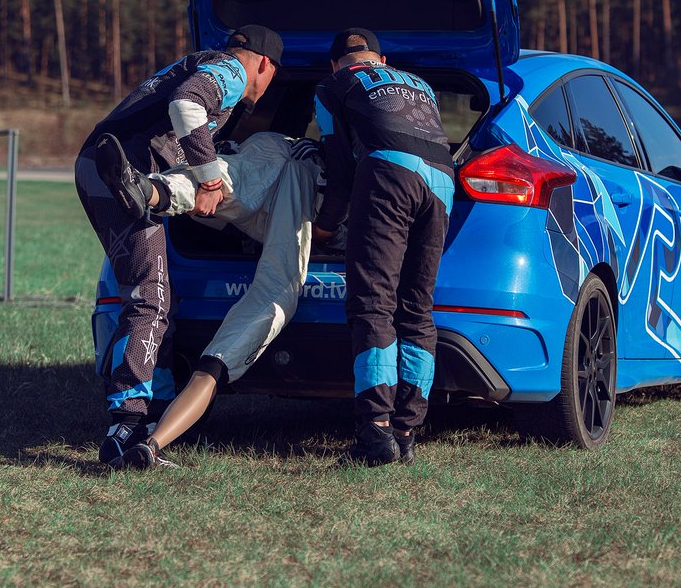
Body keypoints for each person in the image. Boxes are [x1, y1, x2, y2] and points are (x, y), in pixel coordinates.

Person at [74, 25, 282, 469]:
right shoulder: (229, 70)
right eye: (272, 77)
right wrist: (208, 179)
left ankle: (153, 416)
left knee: (155, 293)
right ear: (263, 63)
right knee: (148, 295)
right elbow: (187, 105)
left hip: (98, 164)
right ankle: (126, 423)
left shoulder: (201, 58)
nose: (266, 88)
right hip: (121, 172)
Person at [103, 132, 323, 469]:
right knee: (269, 296)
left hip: (269, 163)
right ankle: (152, 443)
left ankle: (153, 190)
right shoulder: (328, 146)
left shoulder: (268, 141)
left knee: (228, 177)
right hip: (296, 180)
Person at [312, 28, 454, 465]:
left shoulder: (332, 86)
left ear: (336, 63)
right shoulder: (420, 85)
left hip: (390, 173)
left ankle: (374, 432)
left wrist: (325, 224)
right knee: (416, 307)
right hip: (443, 183)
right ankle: (406, 431)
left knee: (372, 304)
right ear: (382, 59)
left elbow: (337, 165)